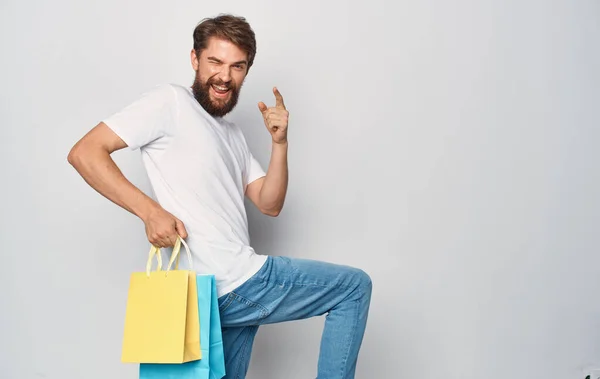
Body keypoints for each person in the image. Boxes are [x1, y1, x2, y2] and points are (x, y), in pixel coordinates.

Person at [68, 13, 372, 379]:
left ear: (246, 70)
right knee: (352, 287)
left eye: (237, 66)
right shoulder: (170, 102)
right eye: (215, 61)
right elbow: (85, 152)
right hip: (232, 280)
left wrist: (280, 144)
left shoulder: (232, 134)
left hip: (210, 298)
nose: (225, 76)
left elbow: (269, 203)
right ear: (195, 59)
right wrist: (149, 212)